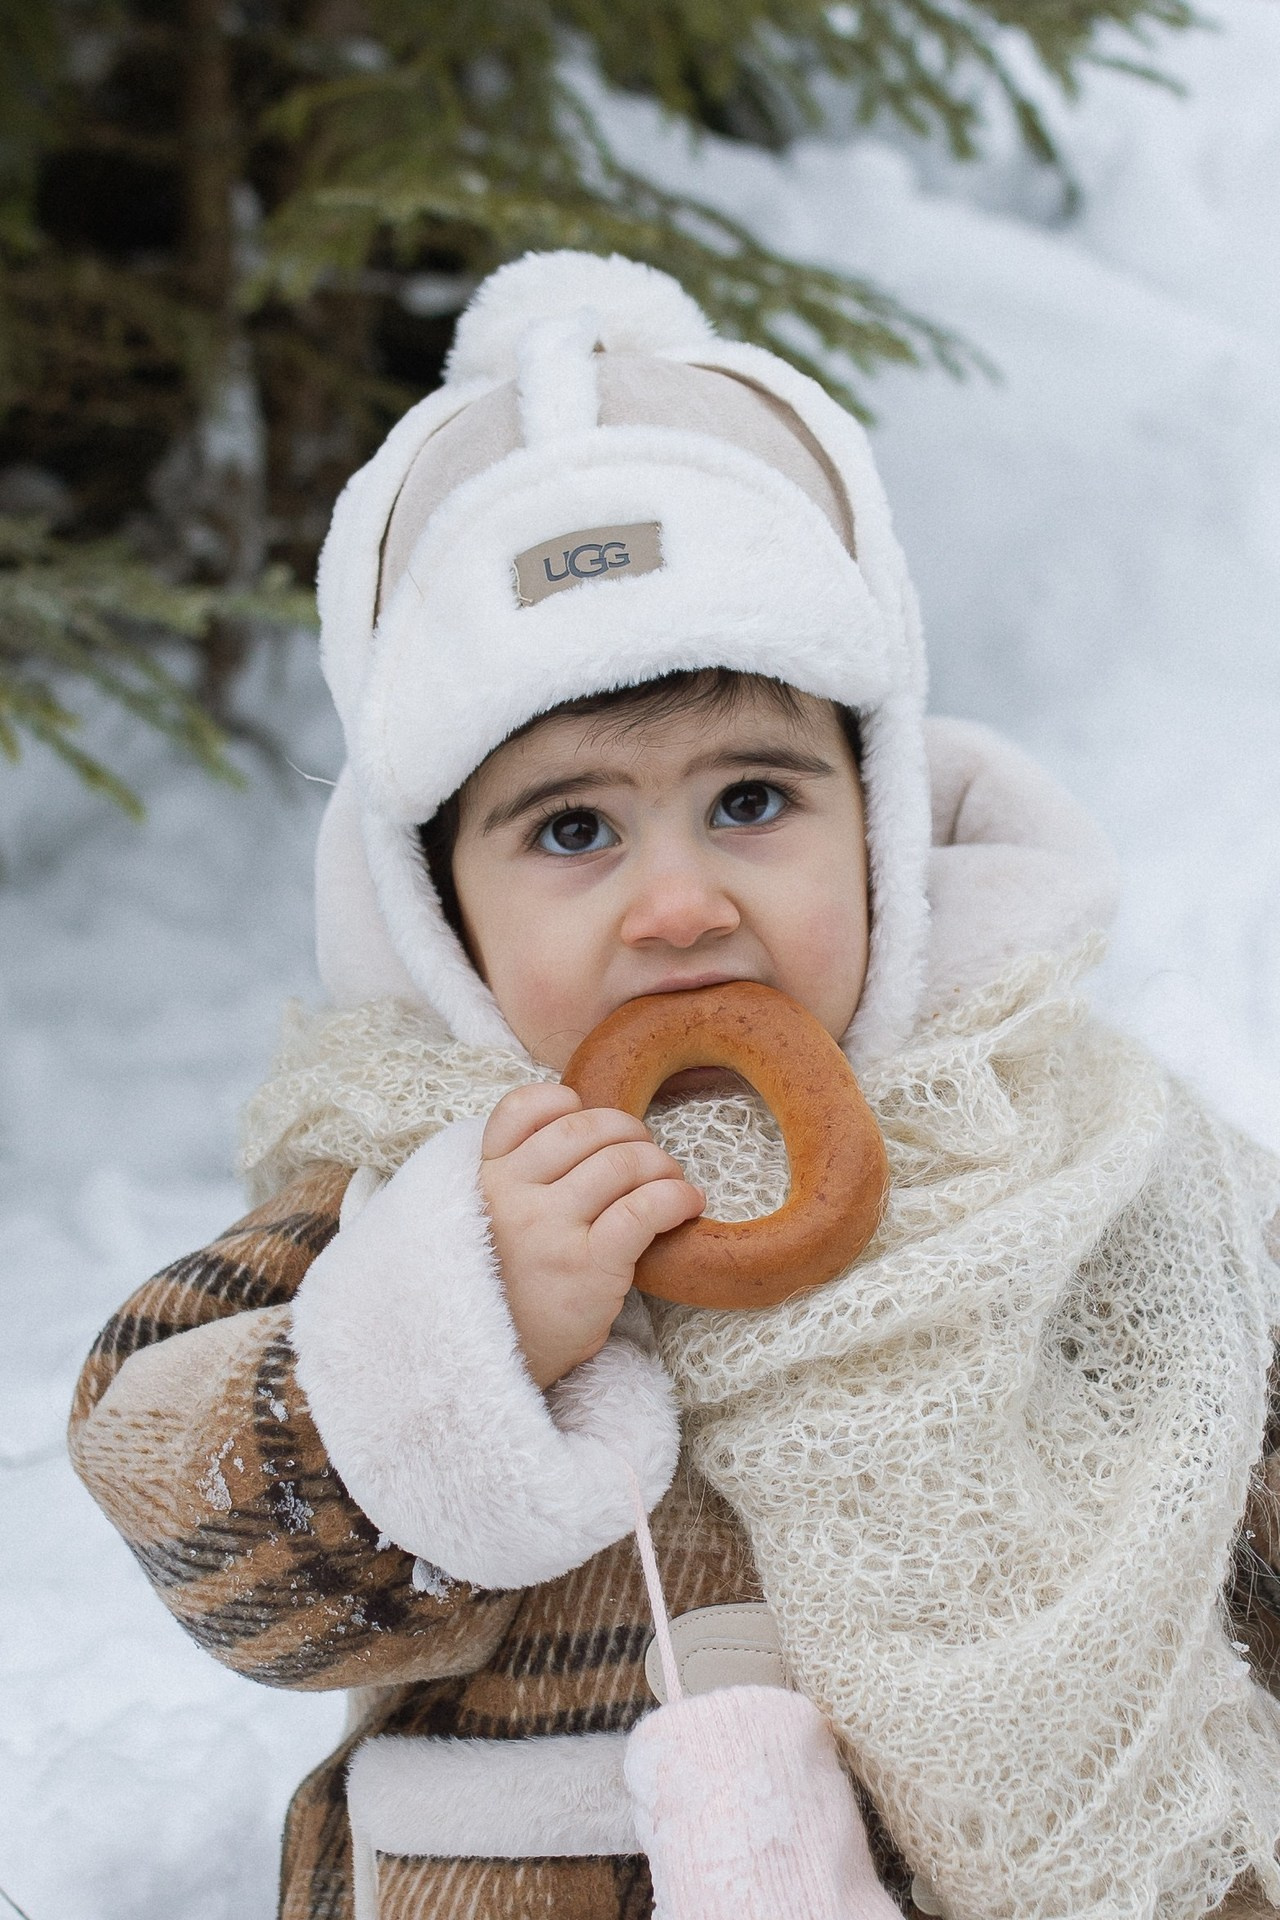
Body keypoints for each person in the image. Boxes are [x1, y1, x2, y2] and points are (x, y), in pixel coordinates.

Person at [69, 251, 1280, 1920]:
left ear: (881, 824)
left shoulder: (1066, 1157)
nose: (683, 900)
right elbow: (195, 1522)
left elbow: (1246, 1455)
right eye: (572, 831)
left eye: (755, 801)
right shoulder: (402, 1198)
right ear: (441, 913)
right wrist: (466, 1334)